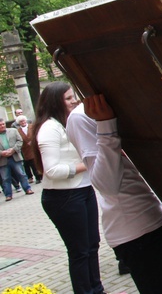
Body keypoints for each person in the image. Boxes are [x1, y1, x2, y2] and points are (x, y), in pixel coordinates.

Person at [66, 96, 162, 294]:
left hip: (157, 218)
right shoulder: (80, 117)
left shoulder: (122, 101)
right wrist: (106, 125)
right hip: (135, 229)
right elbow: (107, 185)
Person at [31, 81, 105, 294]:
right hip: (63, 197)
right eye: (68, 98)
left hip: (84, 190)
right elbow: (52, 170)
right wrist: (87, 164)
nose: (74, 101)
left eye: (73, 97)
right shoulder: (48, 129)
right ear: (55, 102)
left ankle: (97, 289)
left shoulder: (67, 122)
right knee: (79, 251)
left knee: (92, 245)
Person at [0, 119, 34, 200]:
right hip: (2, 160)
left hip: (15, 156)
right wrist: (2, 153)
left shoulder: (13, 131)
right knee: (5, 178)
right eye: (0, 125)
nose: (2, 126)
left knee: (21, 174)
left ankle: (28, 189)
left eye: (3, 124)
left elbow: (20, 141)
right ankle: (8, 195)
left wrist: (13, 149)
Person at [15, 115, 42, 184]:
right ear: (19, 123)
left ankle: (39, 176)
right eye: (21, 121)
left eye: (23, 120)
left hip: (33, 147)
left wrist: (33, 141)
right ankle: (33, 177)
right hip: (25, 149)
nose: (23, 122)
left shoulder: (32, 126)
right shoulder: (18, 130)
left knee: (35, 162)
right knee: (29, 164)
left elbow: (37, 134)